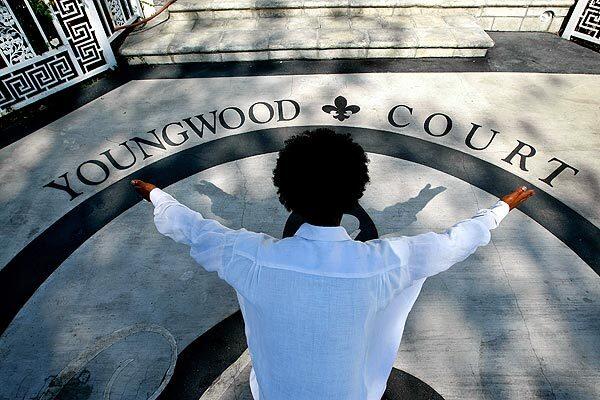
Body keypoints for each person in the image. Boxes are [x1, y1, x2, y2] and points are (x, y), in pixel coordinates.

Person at [131, 128, 534, 400]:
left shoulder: (250, 258)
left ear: (284, 194)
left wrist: (157, 197)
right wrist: (500, 209)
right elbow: (454, 243)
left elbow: (194, 229)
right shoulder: (386, 262)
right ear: (354, 196)